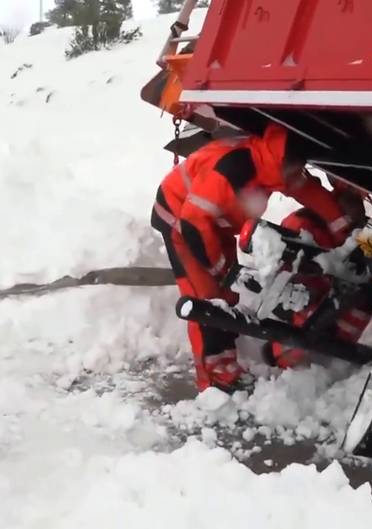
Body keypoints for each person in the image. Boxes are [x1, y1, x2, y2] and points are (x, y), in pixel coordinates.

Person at [150, 123, 354, 392]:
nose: (297, 174)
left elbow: (310, 192)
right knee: (207, 301)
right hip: (179, 222)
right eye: (294, 169)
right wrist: (220, 268)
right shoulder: (232, 171)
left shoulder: (275, 161)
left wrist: (346, 232)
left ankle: (224, 364)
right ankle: (214, 381)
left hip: (213, 222)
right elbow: (193, 224)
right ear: (282, 162)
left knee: (226, 295)